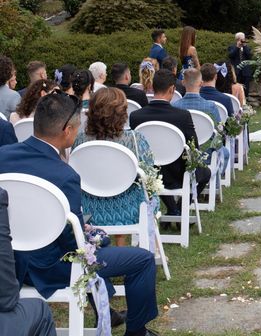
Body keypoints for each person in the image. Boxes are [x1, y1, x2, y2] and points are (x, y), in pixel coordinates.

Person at [0, 91, 159, 336]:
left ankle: (111, 313)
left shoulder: (3, 156)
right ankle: (137, 332)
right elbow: (72, 245)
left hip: (8, 264)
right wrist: (97, 237)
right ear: (67, 130)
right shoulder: (65, 175)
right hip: (52, 266)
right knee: (142, 260)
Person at [72, 88, 154, 245]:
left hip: (90, 207)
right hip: (128, 206)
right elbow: (149, 173)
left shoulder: (80, 141)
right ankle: (126, 246)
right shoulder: (135, 139)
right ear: (122, 112)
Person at [130, 70, 211, 217]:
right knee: (206, 173)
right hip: (178, 174)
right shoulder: (182, 116)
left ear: (153, 87)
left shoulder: (136, 116)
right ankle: (179, 208)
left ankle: (174, 209)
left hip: (148, 174)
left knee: (157, 169)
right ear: (172, 89)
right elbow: (194, 149)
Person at [0, 186, 56, 336]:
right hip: (48, 265)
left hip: (29, 266)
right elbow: (6, 299)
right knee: (40, 310)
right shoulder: (67, 176)